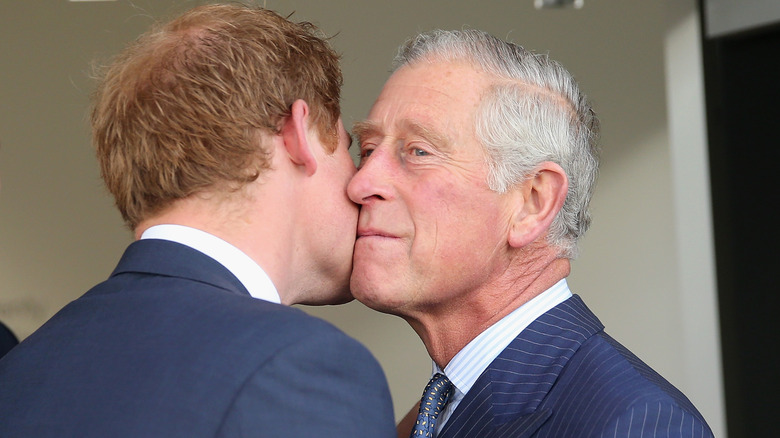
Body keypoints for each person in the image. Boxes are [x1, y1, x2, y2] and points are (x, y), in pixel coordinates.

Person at [0, 4, 395, 437]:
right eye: (346, 147)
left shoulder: (21, 369)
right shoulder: (300, 367)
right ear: (296, 135)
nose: (361, 185)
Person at [349, 29, 713, 437]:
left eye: (418, 151)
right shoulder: (437, 412)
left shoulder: (636, 423)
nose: (361, 183)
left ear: (532, 202)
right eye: (366, 150)